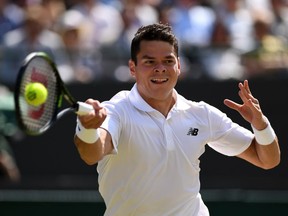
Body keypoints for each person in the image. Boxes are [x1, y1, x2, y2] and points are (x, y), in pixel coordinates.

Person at [74, 23, 280, 215]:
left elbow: (267, 159)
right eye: (149, 62)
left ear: (179, 66)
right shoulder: (117, 110)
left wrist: (260, 125)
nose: (160, 68)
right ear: (132, 68)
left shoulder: (201, 114)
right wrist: (88, 129)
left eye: (168, 61)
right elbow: (92, 154)